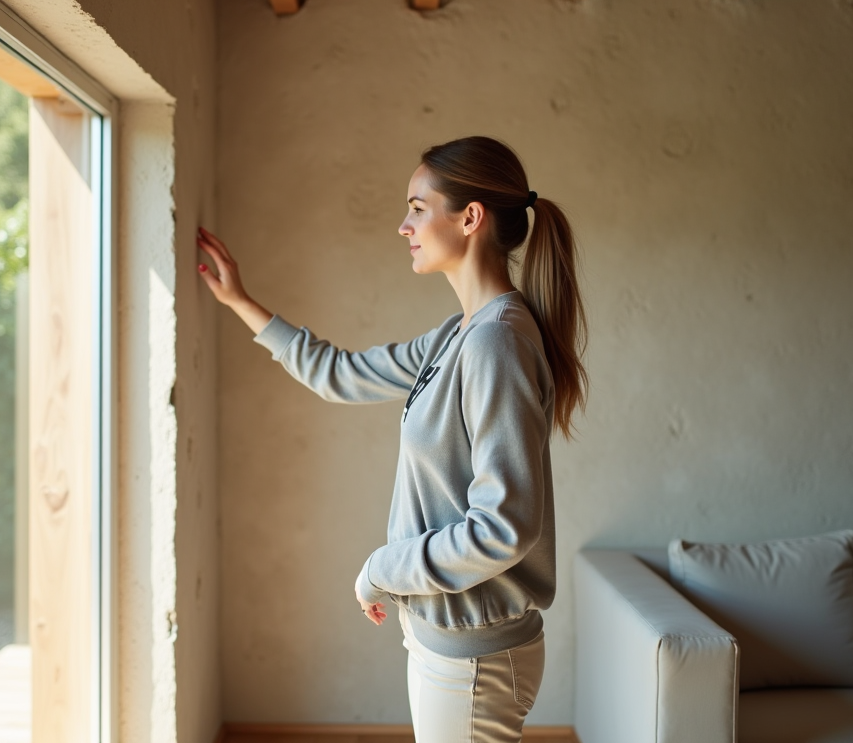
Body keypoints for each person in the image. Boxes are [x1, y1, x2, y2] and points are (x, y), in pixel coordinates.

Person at [196, 136, 588, 743]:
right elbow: (340, 374)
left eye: (417, 208)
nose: (403, 226)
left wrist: (383, 569)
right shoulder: (459, 335)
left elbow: (504, 527)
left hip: (473, 658)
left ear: (471, 217)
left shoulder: (496, 343)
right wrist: (240, 302)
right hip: (447, 642)